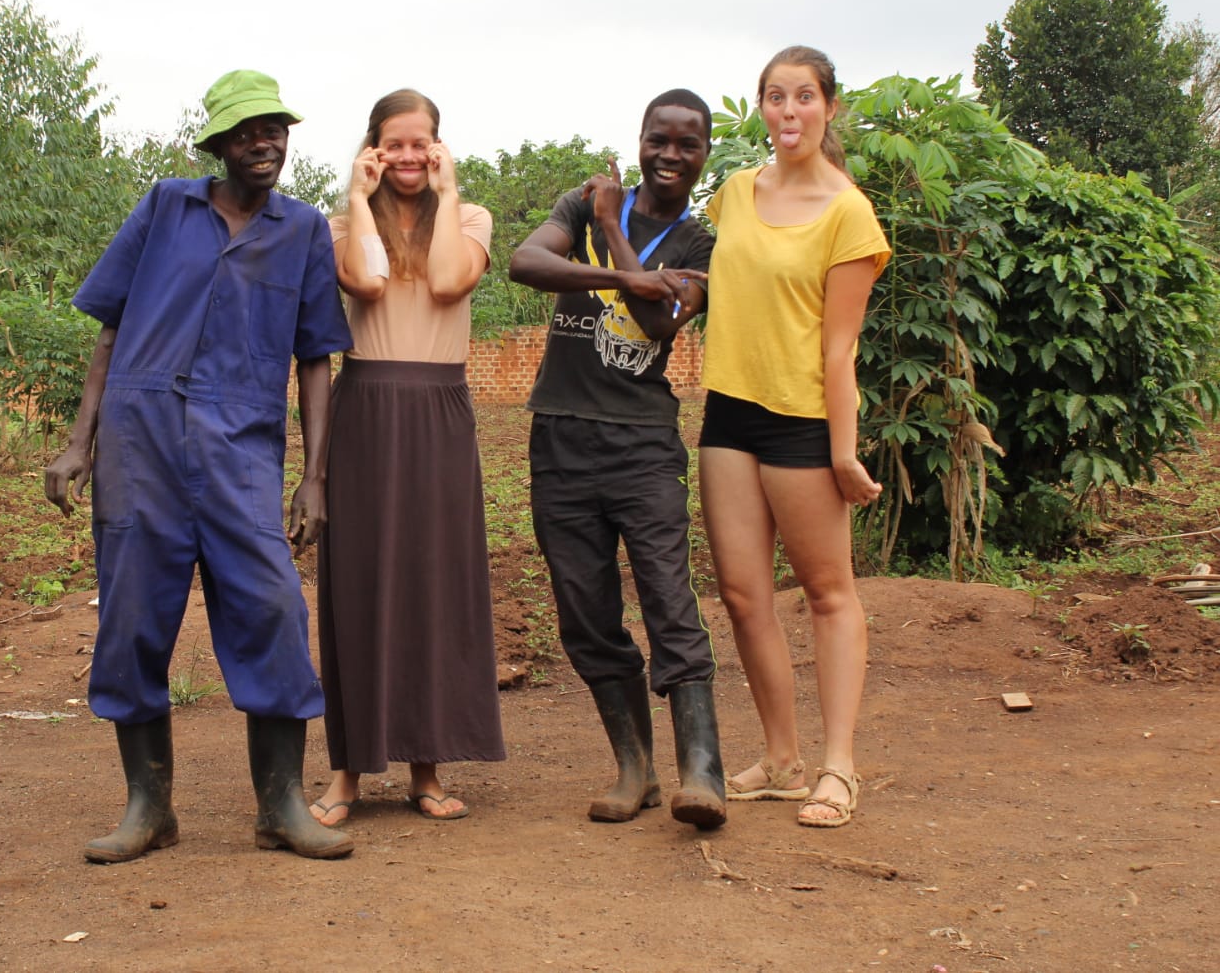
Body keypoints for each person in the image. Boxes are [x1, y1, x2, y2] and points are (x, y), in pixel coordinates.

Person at [44, 69, 356, 861]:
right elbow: (110, 329)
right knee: (133, 622)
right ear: (218, 144)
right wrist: (79, 440)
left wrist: (314, 475)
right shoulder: (165, 207)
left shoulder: (302, 230)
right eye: (247, 132)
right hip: (138, 439)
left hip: (239, 444)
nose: (265, 143)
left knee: (272, 611)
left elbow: (317, 357)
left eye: (275, 129)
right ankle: (148, 810)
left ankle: (279, 805)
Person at [508, 89, 725, 830]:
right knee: (585, 615)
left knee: (669, 601)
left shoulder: (699, 244)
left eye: (686, 144)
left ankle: (701, 771)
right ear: (639, 141)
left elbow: (658, 323)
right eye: (657, 140)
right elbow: (524, 262)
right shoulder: (585, 201)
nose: (669, 155)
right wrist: (616, 263)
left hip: (640, 445)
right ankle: (635, 769)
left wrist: (611, 235)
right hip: (559, 438)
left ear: (703, 155)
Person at [697, 46, 890, 828]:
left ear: (828, 108)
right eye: (773, 97)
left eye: (802, 97)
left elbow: (839, 347)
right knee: (744, 597)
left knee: (826, 592)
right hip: (726, 414)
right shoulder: (734, 194)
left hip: (803, 421)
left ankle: (838, 766)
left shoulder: (848, 212)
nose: (786, 112)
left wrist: (842, 450)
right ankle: (780, 758)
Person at [309, 89, 505, 826]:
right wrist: (356, 199)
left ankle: (427, 771)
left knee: (434, 583)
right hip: (365, 408)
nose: (409, 156)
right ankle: (346, 778)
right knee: (357, 588)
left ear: (440, 147)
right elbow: (364, 282)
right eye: (394, 144)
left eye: (421, 143)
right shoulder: (337, 225)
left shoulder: (470, 220)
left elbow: (452, 282)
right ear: (372, 150)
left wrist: (450, 193)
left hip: (440, 411)